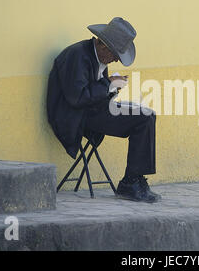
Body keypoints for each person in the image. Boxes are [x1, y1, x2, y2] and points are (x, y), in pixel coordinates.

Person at [46, 17, 160, 203]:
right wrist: (109, 84)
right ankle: (130, 183)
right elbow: (77, 98)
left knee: (147, 114)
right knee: (143, 118)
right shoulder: (77, 56)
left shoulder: (97, 56)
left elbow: (95, 93)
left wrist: (113, 87)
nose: (115, 59)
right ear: (102, 45)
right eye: (115, 54)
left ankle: (136, 179)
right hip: (75, 118)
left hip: (91, 112)